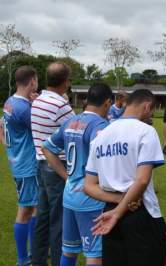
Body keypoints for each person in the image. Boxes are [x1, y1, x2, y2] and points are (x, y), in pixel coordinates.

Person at [84, 89, 166, 266]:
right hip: (139, 209)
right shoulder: (146, 131)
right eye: (152, 111)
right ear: (147, 106)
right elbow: (142, 180)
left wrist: (116, 205)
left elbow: (89, 185)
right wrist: (119, 211)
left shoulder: (102, 135)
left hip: (109, 209)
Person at [41, 83, 113, 266]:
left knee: (69, 251)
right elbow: (107, 162)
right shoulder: (101, 126)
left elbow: (47, 148)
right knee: (95, 254)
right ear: (107, 103)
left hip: (70, 196)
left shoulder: (71, 121)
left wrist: (67, 177)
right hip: (91, 199)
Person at [31, 62, 75, 266]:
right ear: (66, 82)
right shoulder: (61, 106)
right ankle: (58, 261)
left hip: (41, 163)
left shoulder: (38, 100)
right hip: (57, 166)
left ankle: (38, 260)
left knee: (43, 218)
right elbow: (77, 129)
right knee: (59, 221)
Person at [1, 66, 39, 266]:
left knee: (34, 207)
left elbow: (1, 126)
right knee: (25, 209)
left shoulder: (10, 101)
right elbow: (41, 130)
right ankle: (23, 260)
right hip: (27, 165)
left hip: (18, 161)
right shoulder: (25, 109)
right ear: (32, 81)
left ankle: (36, 251)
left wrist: (8, 147)